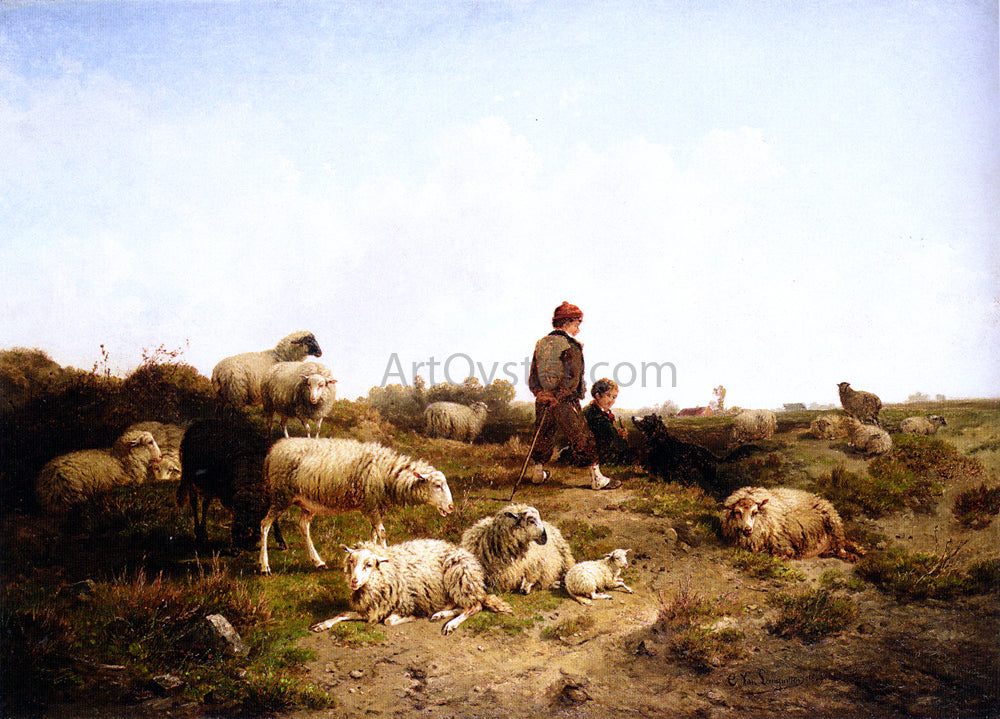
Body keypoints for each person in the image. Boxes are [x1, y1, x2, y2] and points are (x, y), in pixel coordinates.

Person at [527, 301, 621, 490]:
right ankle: (597, 479)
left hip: (543, 400)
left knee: (543, 435)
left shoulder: (541, 343)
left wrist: (540, 393)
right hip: (564, 401)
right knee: (582, 436)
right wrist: (559, 396)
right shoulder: (571, 346)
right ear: (566, 322)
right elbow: (572, 377)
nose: (578, 328)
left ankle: (537, 474)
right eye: (577, 323)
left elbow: (533, 376)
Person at [583, 378, 631, 466]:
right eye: (608, 395)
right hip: (599, 458)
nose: (611, 400)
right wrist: (621, 437)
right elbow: (614, 443)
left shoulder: (592, 410)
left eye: (614, 397)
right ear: (598, 396)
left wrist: (617, 434)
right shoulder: (596, 416)